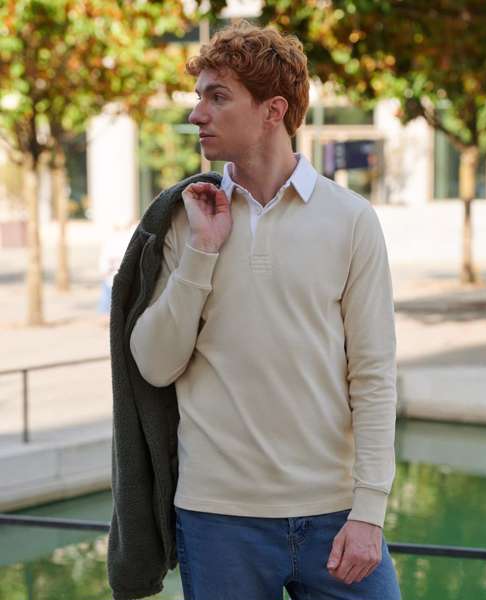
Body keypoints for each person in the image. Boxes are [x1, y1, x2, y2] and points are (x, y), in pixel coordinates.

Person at [127, 19, 400, 600]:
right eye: (199, 96)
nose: (197, 113)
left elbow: (373, 376)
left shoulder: (351, 219)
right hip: (217, 517)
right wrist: (202, 250)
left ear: (273, 111)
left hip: (335, 513)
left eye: (217, 97)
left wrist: (370, 511)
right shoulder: (184, 218)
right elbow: (153, 365)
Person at [97, 217, 136, 327]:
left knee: (107, 297)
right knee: (122, 299)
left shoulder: (110, 241)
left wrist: (103, 271)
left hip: (110, 275)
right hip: (123, 276)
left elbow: (104, 258)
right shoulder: (129, 238)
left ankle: (105, 317)